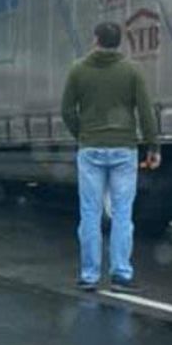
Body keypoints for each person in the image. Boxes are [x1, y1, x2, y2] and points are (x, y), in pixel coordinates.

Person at [61, 21, 160, 292]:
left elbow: (67, 110)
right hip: (124, 149)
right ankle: (121, 274)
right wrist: (153, 146)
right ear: (120, 42)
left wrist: (82, 133)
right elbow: (145, 112)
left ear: (95, 39)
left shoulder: (78, 70)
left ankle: (89, 275)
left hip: (90, 148)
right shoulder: (132, 70)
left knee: (90, 213)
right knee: (122, 213)